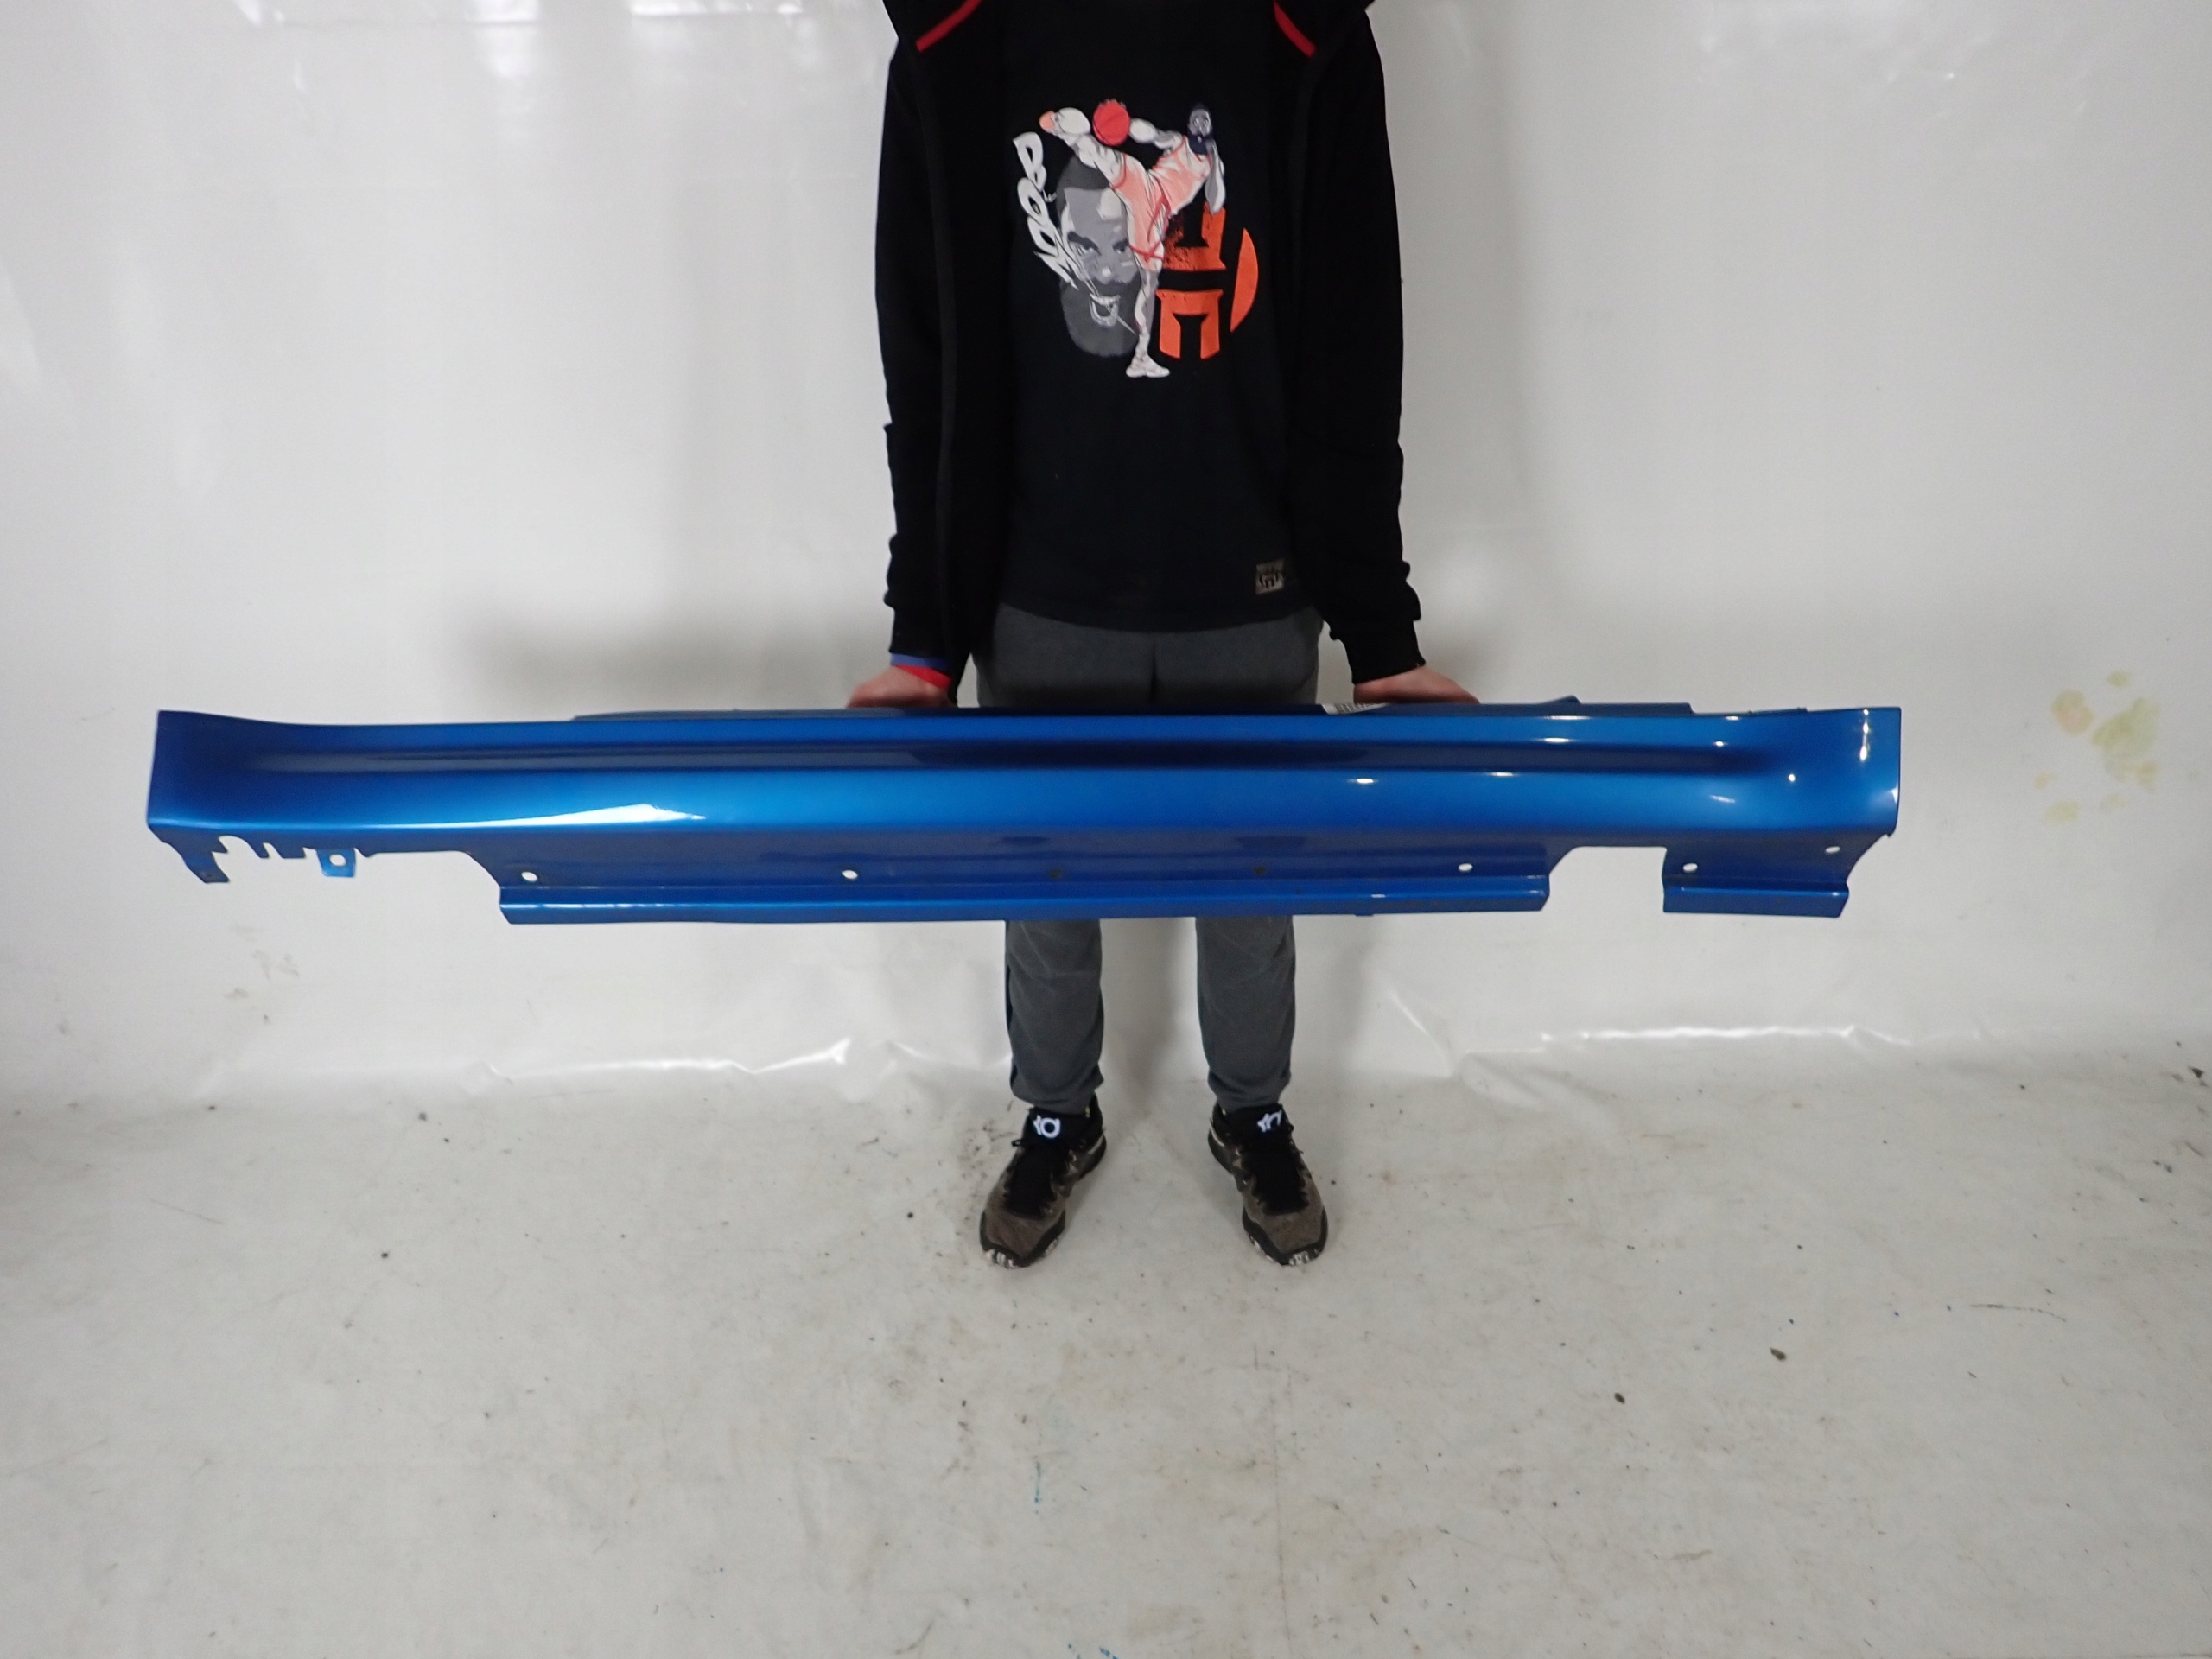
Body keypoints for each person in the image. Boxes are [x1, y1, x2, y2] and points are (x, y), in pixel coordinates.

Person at [848, 0, 1473, 1268]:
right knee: (1047, 877)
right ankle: (1055, 1114)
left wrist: (1380, 633)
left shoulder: (1301, 31)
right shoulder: (963, 38)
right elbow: (927, 351)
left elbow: (1355, 336)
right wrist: (927, 636)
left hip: (1249, 574)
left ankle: (1253, 1112)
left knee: (1251, 877)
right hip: (1041, 580)